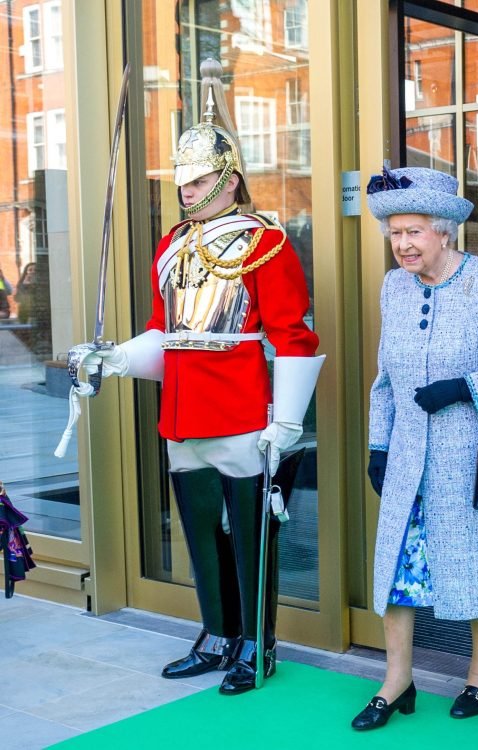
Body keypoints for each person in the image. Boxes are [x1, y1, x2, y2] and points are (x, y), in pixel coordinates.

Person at [71, 59, 324, 696]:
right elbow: (166, 335)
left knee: (250, 539)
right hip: (182, 410)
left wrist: (286, 420)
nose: (186, 191)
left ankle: (257, 643)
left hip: (241, 406)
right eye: (182, 182)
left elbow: (293, 333)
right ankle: (216, 632)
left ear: (230, 179)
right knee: (200, 535)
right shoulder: (170, 246)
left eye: (200, 180)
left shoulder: (266, 241)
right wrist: (116, 357)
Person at [357, 165, 478, 730]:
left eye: (414, 231)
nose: (403, 244)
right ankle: (397, 681)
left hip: (473, 452)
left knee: (476, 563)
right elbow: (385, 378)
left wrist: (463, 388)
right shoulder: (394, 287)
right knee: (397, 568)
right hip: (409, 454)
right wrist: (378, 444)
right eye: (395, 233)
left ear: (444, 232)